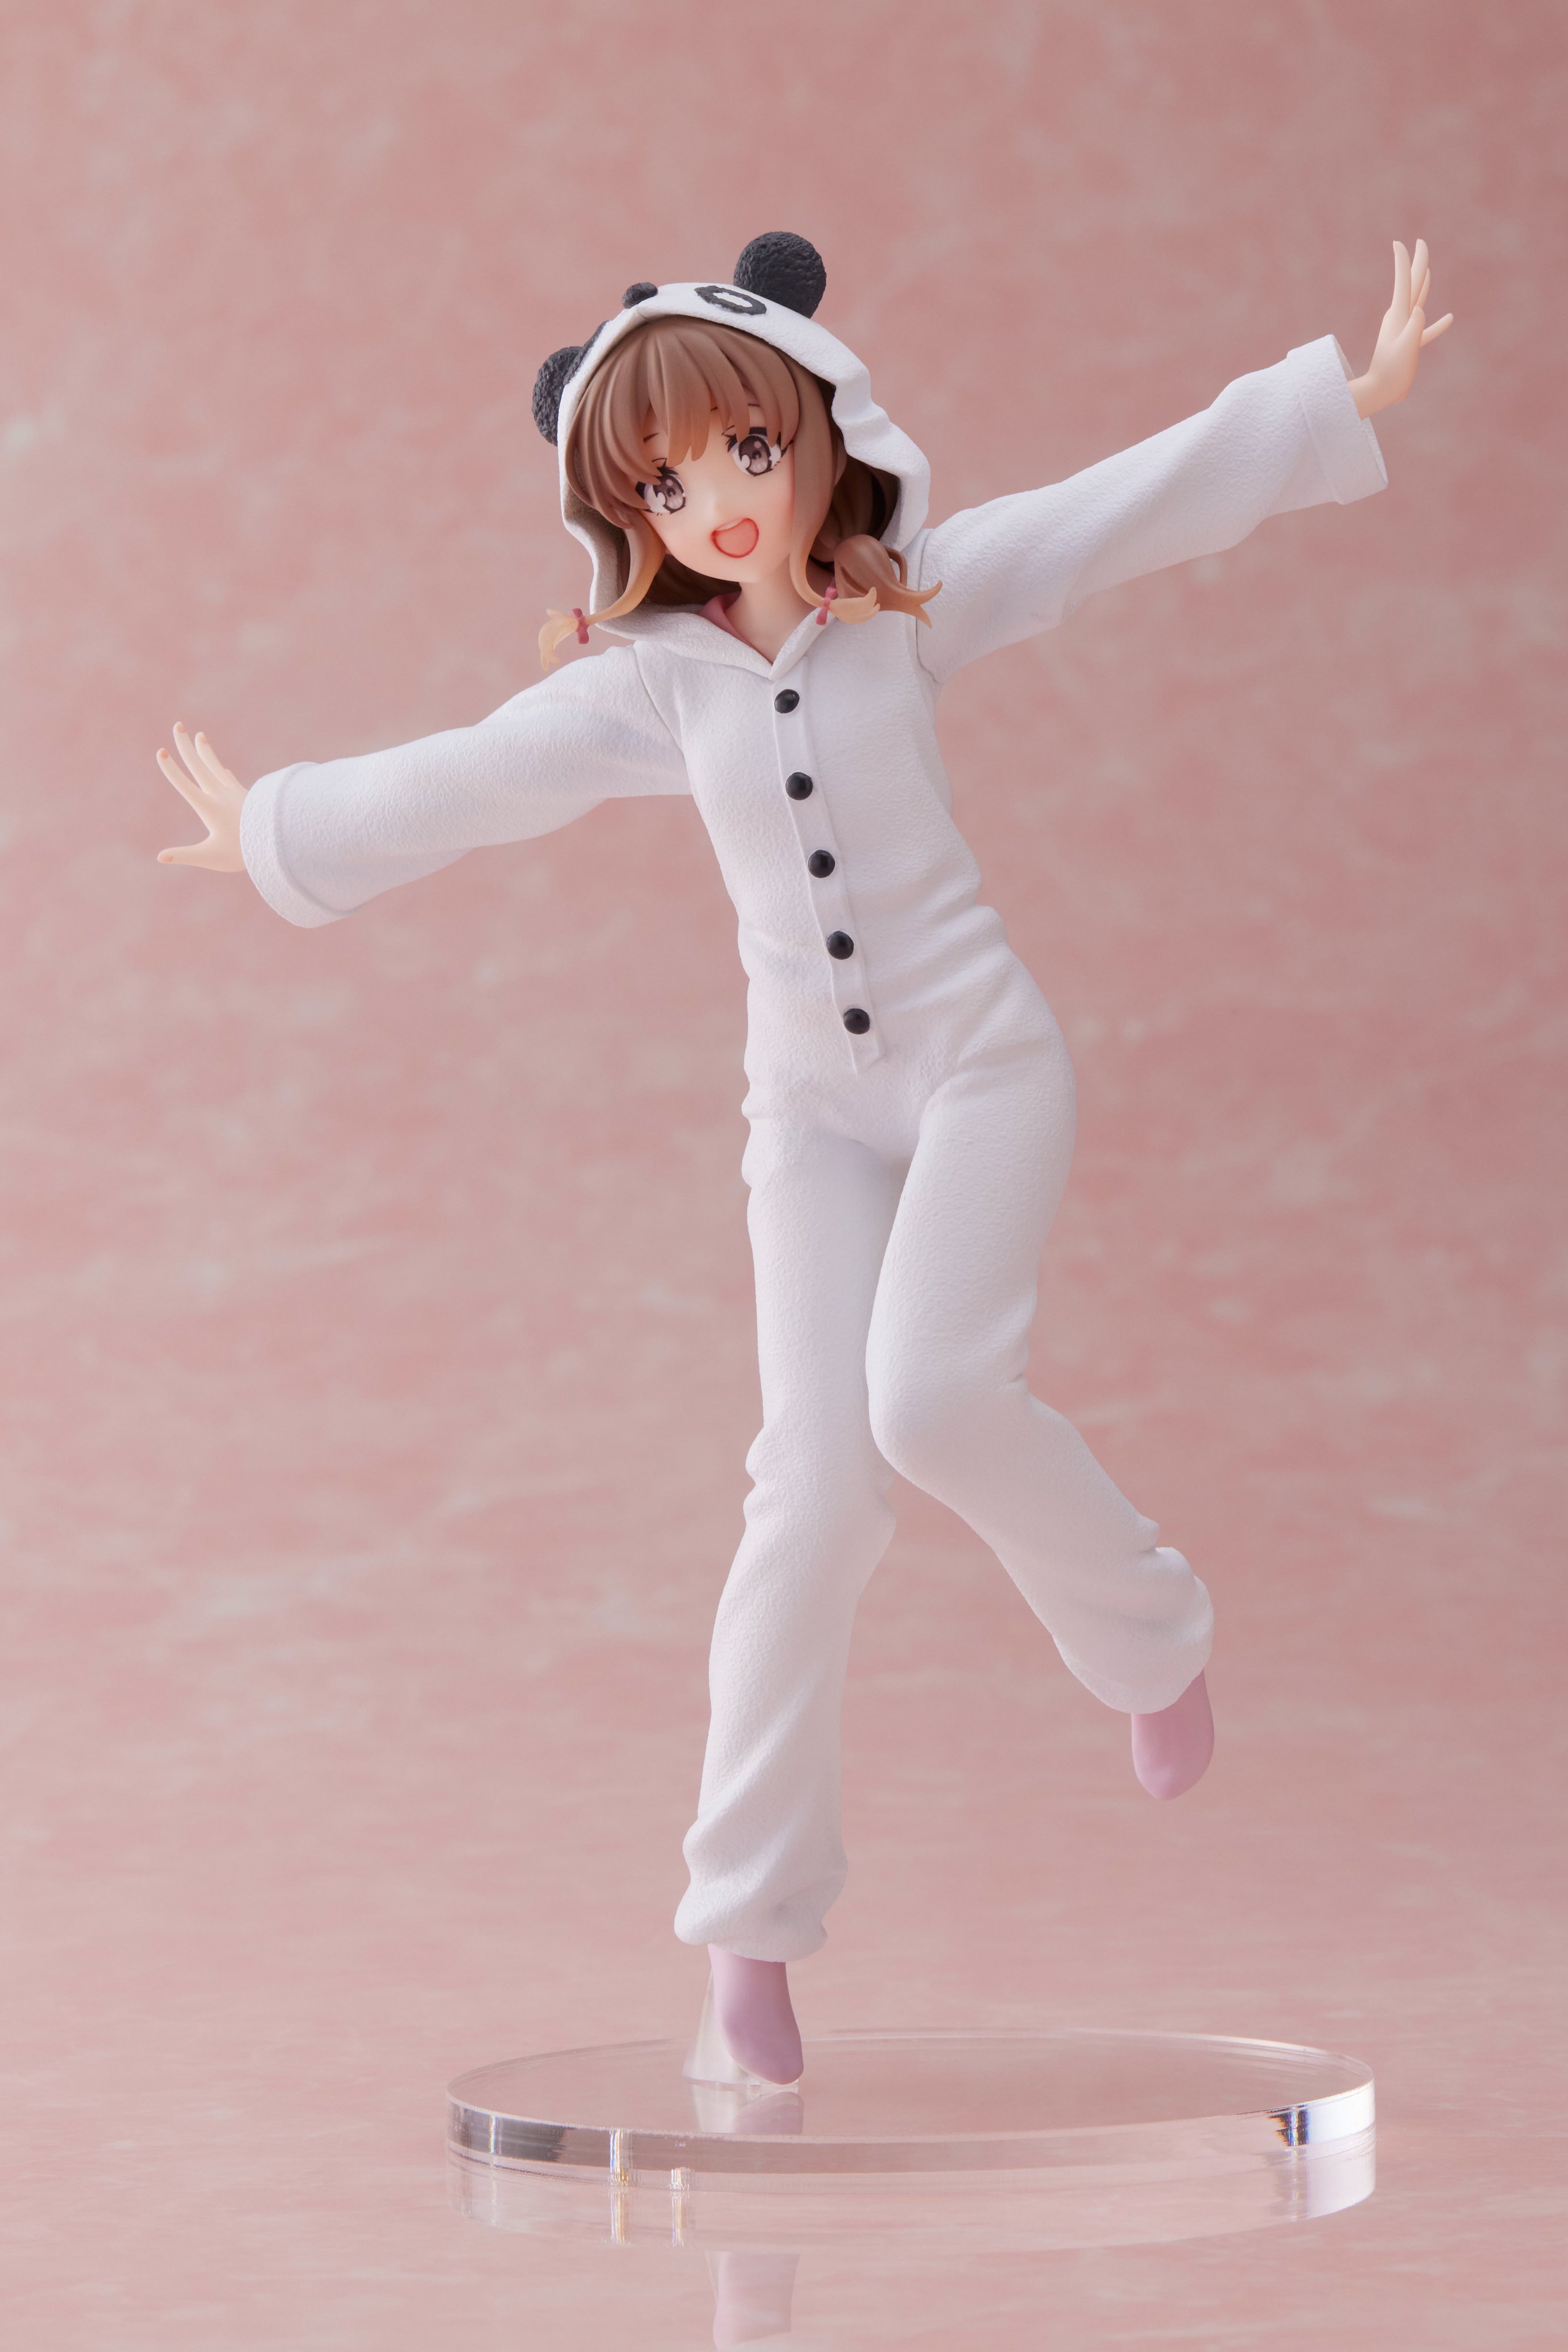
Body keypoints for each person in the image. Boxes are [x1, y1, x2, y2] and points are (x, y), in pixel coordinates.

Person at [158, 232, 1451, 2086]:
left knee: (932, 1399)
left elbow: (1112, 514)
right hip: (810, 1116)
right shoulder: (652, 689)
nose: (720, 505)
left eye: (746, 453)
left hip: (979, 1065)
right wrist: (286, 828)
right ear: (627, 515)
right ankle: (744, 1934)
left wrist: (1330, 402)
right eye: (665, 487)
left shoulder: (913, 599)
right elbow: (473, 774)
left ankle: (1149, 1637)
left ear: (817, 430)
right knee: (811, 1492)